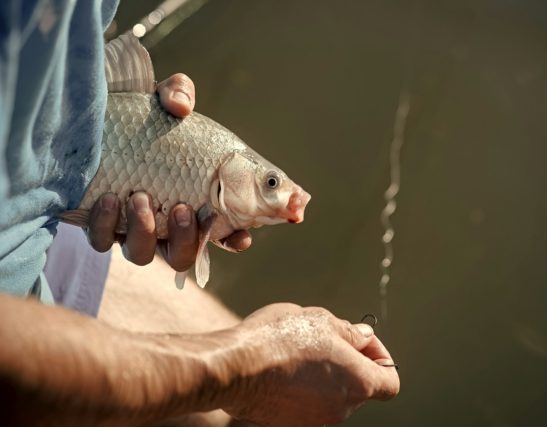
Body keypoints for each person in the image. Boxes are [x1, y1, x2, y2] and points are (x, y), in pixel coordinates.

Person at [0, 1, 400, 426]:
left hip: (34, 212)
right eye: (269, 183)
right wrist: (244, 373)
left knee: (231, 389)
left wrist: (86, 86)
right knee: (221, 403)